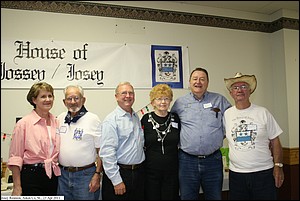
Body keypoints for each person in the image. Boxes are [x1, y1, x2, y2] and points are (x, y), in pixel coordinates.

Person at [171, 67, 231, 200]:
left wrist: (219, 136)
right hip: (187, 161)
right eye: (195, 79)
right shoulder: (180, 103)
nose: (198, 82)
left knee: (214, 197)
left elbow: (232, 122)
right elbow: (172, 126)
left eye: (202, 79)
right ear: (189, 82)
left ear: (207, 82)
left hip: (213, 160)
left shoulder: (219, 100)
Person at [223, 72, 284, 200]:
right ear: (231, 93)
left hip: (263, 174)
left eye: (244, 86)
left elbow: (275, 141)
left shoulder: (263, 112)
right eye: (235, 87)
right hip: (237, 176)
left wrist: (278, 166)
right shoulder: (227, 115)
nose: (240, 90)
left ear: (250, 91)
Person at [7, 82, 61, 196]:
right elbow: (15, 157)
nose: (48, 99)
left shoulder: (57, 122)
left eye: (50, 96)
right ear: (34, 100)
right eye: (43, 96)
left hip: (53, 176)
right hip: (31, 177)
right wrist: (17, 187)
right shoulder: (23, 124)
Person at [99, 82, 145, 200]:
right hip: (120, 174)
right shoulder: (111, 120)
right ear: (116, 97)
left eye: (131, 93)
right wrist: (116, 181)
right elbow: (107, 154)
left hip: (138, 174)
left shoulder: (136, 117)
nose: (128, 96)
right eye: (124, 93)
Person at [57, 85, 102, 200]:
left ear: (83, 100)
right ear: (64, 102)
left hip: (85, 176)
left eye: (76, 98)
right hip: (62, 176)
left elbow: (101, 151)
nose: (73, 102)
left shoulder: (93, 119)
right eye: (69, 99)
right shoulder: (60, 119)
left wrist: (97, 175)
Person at [141, 84, 181, 200]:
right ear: (152, 102)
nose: (163, 102)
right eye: (159, 99)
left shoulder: (176, 118)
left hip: (172, 171)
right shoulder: (145, 119)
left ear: (170, 101)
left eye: (166, 98)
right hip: (151, 172)